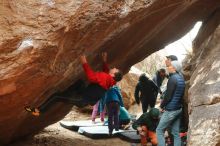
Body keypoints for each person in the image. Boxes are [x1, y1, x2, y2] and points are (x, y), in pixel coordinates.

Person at [25, 53, 123, 116]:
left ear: (113, 74)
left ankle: (38, 111)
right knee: (80, 83)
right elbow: (106, 71)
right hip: (85, 94)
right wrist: (104, 61)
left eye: (115, 69)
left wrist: (84, 62)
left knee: (56, 96)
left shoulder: (105, 77)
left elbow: (92, 77)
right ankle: (66, 94)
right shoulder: (110, 80)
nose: (114, 67)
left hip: (81, 100)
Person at [156, 61, 185, 146]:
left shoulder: (173, 79)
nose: (168, 67)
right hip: (178, 109)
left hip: (171, 110)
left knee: (159, 130)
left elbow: (168, 96)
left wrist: (161, 106)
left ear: (174, 68)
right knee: (176, 132)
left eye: (170, 66)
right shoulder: (181, 78)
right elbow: (181, 95)